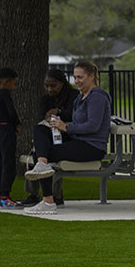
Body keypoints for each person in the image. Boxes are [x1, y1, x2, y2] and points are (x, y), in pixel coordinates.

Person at [24, 61, 112, 215]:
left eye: (80, 77)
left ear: (91, 76)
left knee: (41, 154)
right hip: (77, 141)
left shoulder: (97, 97)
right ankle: (46, 189)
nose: (76, 81)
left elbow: (93, 126)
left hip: (92, 147)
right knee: (40, 130)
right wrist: (59, 127)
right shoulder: (80, 98)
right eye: (75, 77)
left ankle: (48, 202)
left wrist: (65, 127)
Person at [18, 68, 80, 208]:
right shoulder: (45, 99)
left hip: (66, 135)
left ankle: (55, 195)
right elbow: (42, 117)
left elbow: (72, 115)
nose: (49, 89)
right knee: (39, 154)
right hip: (47, 134)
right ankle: (34, 194)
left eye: (53, 85)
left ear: (62, 83)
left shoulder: (73, 96)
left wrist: (58, 113)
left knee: (46, 155)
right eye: (47, 86)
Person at [0, 67, 21, 207]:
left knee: (0, 162)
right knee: (9, 163)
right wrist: (17, 124)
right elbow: (12, 112)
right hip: (7, 129)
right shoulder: (5, 93)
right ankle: (5, 195)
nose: (14, 88)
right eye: (13, 84)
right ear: (6, 82)